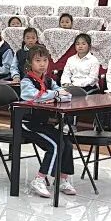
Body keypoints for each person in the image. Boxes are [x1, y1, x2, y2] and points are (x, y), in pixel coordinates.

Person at [19, 44, 75, 198]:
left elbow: (67, 95)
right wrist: (54, 95)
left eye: (45, 60)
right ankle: (39, 179)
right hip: (28, 124)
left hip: (44, 124)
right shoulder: (26, 81)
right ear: (30, 63)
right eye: (38, 61)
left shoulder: (49, 81)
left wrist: (54, 96)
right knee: (55, 145)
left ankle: (62, 179)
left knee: (67, 143)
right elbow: (34, 96)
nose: (42, 64)